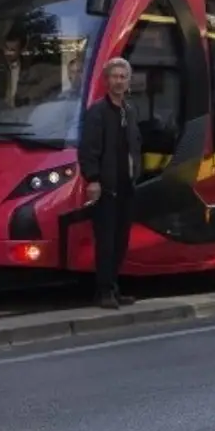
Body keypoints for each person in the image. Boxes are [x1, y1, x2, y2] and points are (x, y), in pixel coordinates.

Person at [78, 57, 142, 309]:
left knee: (121, 240)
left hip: (126, 185)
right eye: (114, 76)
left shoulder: (130, 110)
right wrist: (92, 179)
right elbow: (89, 149)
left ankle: (114, 288)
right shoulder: (97, 112)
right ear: (106, 81)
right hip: (106, 187)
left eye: (122, 77)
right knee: (105, 241)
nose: (118, 81)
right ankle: (104, 291)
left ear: (128, 81)